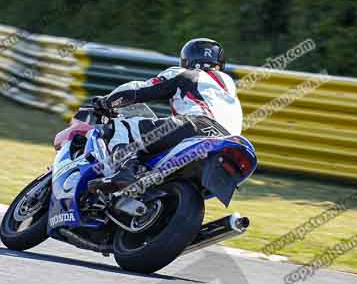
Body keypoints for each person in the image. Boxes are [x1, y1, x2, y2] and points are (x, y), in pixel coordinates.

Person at [91, 37, 243, 191]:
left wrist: (106, 102)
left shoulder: (186, 73)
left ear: (187, 59)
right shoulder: (229, 87)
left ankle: (125, 172)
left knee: (121, 126)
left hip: (198, 126)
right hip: (231, 141)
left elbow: (139, 90)